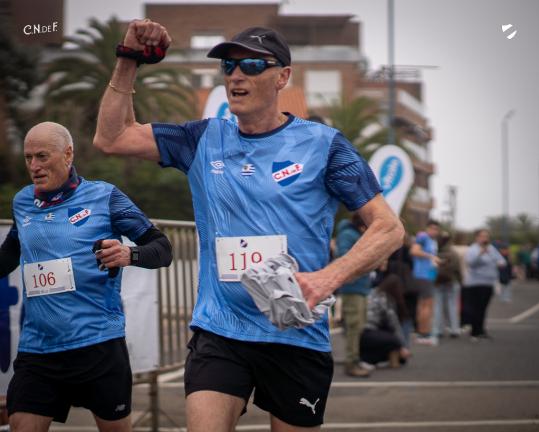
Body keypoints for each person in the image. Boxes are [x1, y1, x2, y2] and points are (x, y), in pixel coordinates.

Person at [93, 20, 404, 431]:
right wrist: (129, 58)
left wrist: (326, 279)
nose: (237, 75)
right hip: (221, 330)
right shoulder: (201, 139)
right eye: (229, 66)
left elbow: (389, 227)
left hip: (294, 333)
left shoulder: (324, 145)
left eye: (253, 65)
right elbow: (112, 137)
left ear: (283, 77)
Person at [0, 122, 173, 432]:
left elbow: (162, 248)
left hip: (97, 345)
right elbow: (9, 256)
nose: (34, 166)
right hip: (38, 349)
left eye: (42, 156)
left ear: (68, 154)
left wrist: (129, 254)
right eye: (28, 157)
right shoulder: (23, 202)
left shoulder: (105, 196)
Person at [335, 214, 372, 377]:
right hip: (352, 288)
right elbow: (344, 257)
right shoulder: (348, 235)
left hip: (360, 287)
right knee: (354, 326)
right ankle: (351, 363)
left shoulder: (355, 234)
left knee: (358, 326)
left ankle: (355, 359)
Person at [360, 274, 410, 369]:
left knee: (391, 340)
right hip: (368, 332)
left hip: (361, 332)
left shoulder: (372, 292)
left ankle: (370, 358)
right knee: (394, 341)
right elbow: (394, 324)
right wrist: (402, 346)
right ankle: (367, 359)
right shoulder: (385, 298)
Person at [463, 229, 505, 341]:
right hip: (475, 283)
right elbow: (470, 263)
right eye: (482, 236)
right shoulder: (473, 249)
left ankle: (481, 330)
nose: (484, 238)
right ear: (477, 237)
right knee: (475, 308)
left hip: (488, 282)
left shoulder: (491, 249)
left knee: (483, 308)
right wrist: (480, 254)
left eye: (486, 236)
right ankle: (474, 331)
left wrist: (500, 263)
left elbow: (502, 261)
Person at [410, 220, 441, 345]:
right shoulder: (423, 237)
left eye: (436, 229)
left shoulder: (433, 241)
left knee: (425, 305)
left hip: (430, 275)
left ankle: (422, 332)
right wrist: (431, 256)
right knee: (426, 305)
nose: (434, 231)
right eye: (432, 228)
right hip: (423, 275)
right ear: (427, 228)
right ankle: (423, 333)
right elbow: (414, 251)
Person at [431, 232, 462, 341]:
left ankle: (438, 330)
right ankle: (454, 330)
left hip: (437, 282)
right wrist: (460, 280)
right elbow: (458, 269)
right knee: (452, 306)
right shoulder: (453, 253)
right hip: (451, 281)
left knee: (438, 306)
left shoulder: (434, 252)